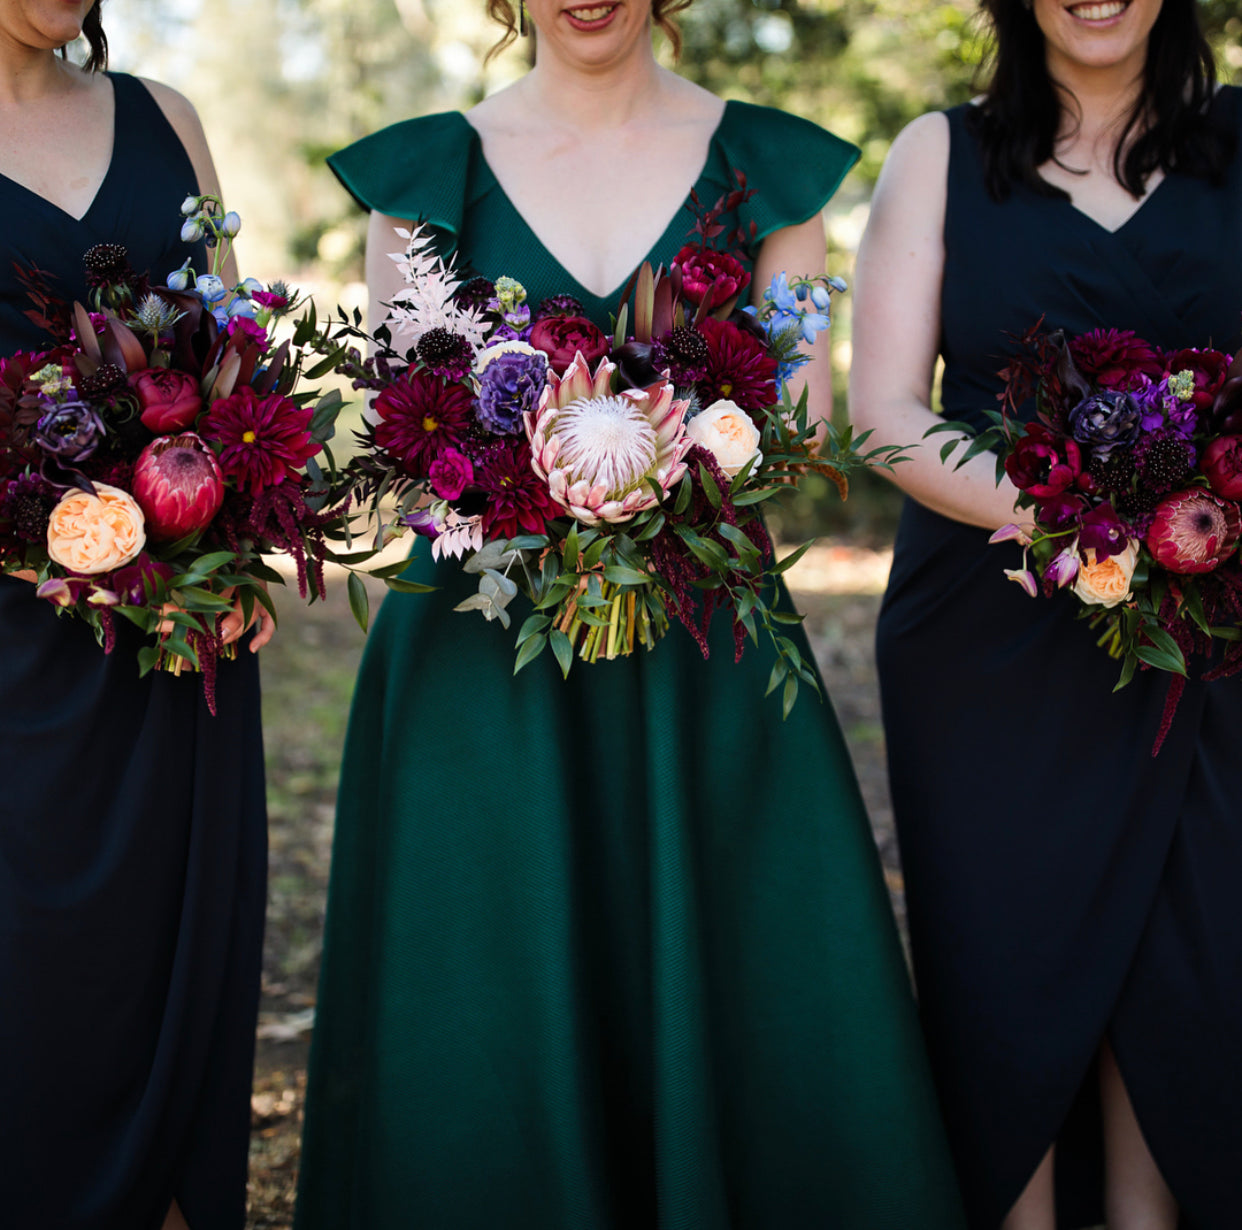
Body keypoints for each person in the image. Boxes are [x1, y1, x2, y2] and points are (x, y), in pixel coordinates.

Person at [294, 1, 966, 1227]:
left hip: (703, 655)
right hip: (480, 666)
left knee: (727, 977)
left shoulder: (770, 163)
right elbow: (407, 436)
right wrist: (542, 477)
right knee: (491, 983)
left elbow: (799, 429)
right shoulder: (422, 172)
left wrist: (658, 469)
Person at [850, 1, 1242, 1227]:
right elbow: (884, 412)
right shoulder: (940, 154)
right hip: (990, 637)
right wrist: (1085, 518)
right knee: (1010, 973)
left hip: (1209, 635)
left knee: (1187, 969)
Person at [0, 3, 273, 1227]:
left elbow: (234, 365)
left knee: (170, 939)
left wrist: (243, 548)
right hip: (8, 652)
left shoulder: (169, 120)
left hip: (177, 628)